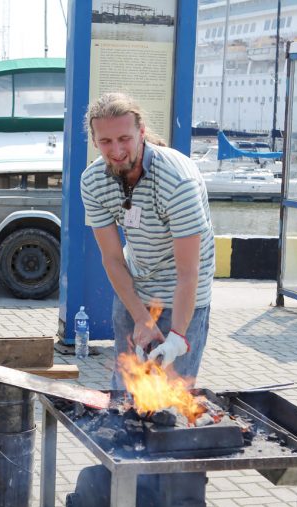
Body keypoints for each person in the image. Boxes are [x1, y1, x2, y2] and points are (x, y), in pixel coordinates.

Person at [81, 92, 215, 388]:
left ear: (141, 133)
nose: (116, 150)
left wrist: (178, 337)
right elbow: (113, 259)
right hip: (135, 291)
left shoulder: (177, 182)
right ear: (94, 142)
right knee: (126, 391)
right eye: (105, 141)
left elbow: (188, 273)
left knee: (170, 396)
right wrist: (141, 318)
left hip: (184, 297)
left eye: (124, 138)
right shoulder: (92, 182)